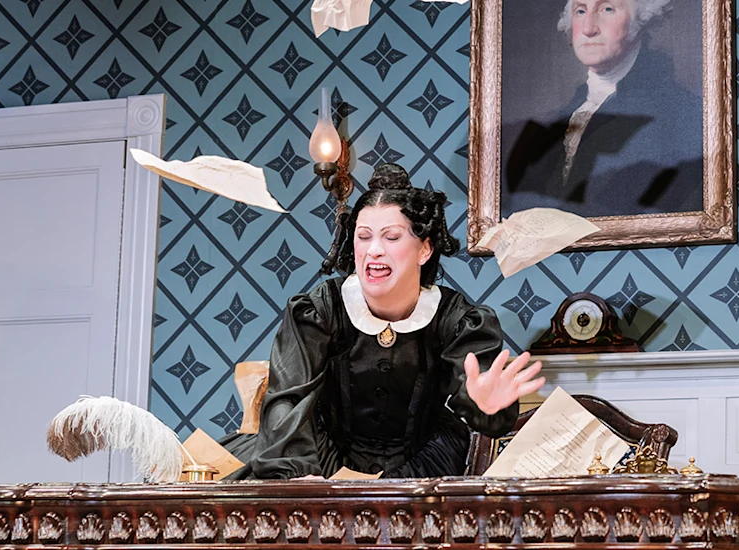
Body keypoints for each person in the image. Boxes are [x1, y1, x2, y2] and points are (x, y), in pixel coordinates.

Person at [222, 164, 546, 479]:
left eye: (391, 237)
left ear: (424, 249)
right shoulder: (320, 309)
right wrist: (298, 480)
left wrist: (484, 405)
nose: (373, 250)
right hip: (323, 460)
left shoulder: (457, 318)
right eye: (364, 236)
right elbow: (288, 400)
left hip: (425, 463)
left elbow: (485, 405)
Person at [503, 0, 704, 218]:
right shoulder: (558, 121)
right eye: (580, 11)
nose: (588, 28)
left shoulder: (682, 114)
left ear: (643, 16)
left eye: (607, 9)